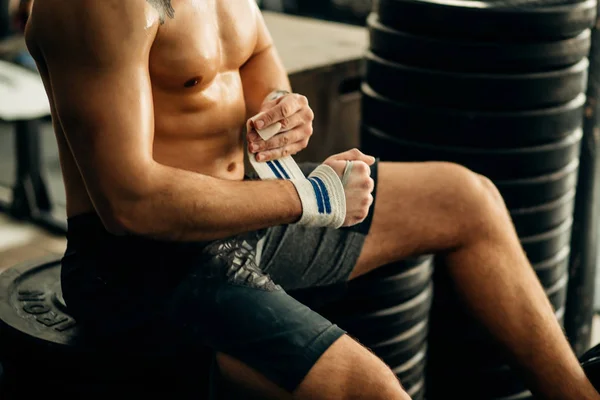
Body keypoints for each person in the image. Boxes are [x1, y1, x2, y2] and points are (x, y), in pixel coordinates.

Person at [22, 0, 600, 399]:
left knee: (466, 198)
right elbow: (131, 204)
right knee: (371, 389)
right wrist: (309, 199)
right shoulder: (97, 5)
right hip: (146, 269)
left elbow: (254, 52)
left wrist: (282, 106)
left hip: (247, 216)